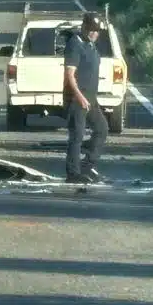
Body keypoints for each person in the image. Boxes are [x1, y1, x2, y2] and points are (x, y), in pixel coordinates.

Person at [64, 12, 109, 184]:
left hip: (90, 97)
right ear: (84, 27)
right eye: (91, 29)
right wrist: (79, 96)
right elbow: (69, 75)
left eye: (97, 30)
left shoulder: (91, 45)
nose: (94, 33)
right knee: (77, 136)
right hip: (77, 98)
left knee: (102, 129)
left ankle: (87, 166)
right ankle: (73, 173)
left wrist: (90, 97)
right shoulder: (75, 44)